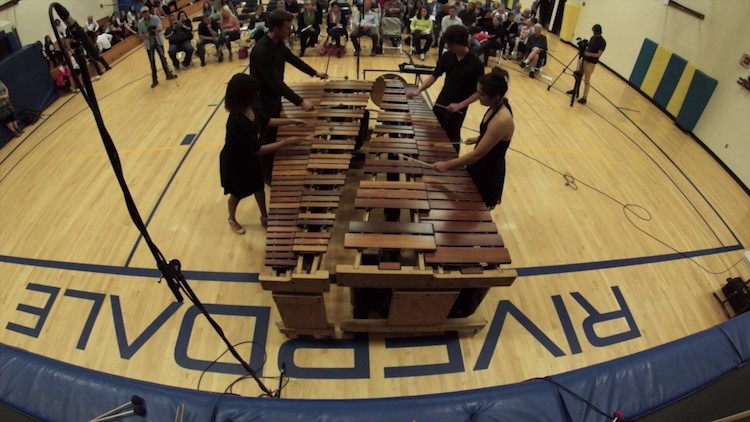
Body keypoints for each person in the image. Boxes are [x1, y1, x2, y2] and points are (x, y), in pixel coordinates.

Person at [221, 73, 310, 233]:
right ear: (244, 95)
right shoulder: (236, 122)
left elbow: (266, 121)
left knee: (258, 186)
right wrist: (286, 142)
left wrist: (291, 121)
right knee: (238, 193)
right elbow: (258, 150)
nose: (257, 94)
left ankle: (264, 216)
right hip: (236, 161)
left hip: (250, 156)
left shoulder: (251, 107)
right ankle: (232, 219)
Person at [249, 9, 328, 182]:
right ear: (275, 28)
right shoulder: (262, 51)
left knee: (273, 133)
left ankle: (267, 167)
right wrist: (300, 102)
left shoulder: (278, 44)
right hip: (263, 100)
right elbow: (276, 84)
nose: (290, 30)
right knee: (267, 136)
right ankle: (264, 174)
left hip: (273, 96)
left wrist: (315, 72)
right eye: (286, 28)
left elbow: (293, 59)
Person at [433, 67, 512, 209]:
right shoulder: (496, 105)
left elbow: (476, 155)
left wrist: (447, 165)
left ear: (496, 96)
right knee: (464, 205)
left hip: (488, 173)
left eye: (481, 94)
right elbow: (495, 135)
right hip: (479, 165)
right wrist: (479, 138)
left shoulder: (502, 119)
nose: (478, 97)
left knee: (476, 211)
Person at [406, 25, 483, 151]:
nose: (447, 46)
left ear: (460, 43)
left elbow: (479, 92)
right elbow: (434, 75)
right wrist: (418, 91)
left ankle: (452, 165)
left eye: (450, 44)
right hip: (442, 100)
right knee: (433, 132)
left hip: (459, 108)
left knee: (452, 139)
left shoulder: (476, 64)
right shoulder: (447, 57)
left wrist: (460, 105)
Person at [137, 6, 177, 87]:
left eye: (146, 12)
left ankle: (168, 74)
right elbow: (140, 35)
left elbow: (160, 27)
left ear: (149, 11)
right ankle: (154, 79)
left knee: (163, 58)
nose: (145, 14)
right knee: (152, 62)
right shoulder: (140, 23)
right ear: (142, 14)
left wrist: (155, 30)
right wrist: (147, 35)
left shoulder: (155, 18)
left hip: (157, 41)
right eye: (143, 13)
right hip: (149, 43)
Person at [572, 24, 606, 105]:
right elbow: (589, 46)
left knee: (587, 79)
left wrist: (588, 54)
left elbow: (598, 54)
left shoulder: (602, 42)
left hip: (591, 63)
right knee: (579, 75)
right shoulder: (592, 38)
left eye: (593, 31)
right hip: (584, 60)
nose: (593, 33)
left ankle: (584, 97)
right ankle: (575, 90)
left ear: (597, 31)